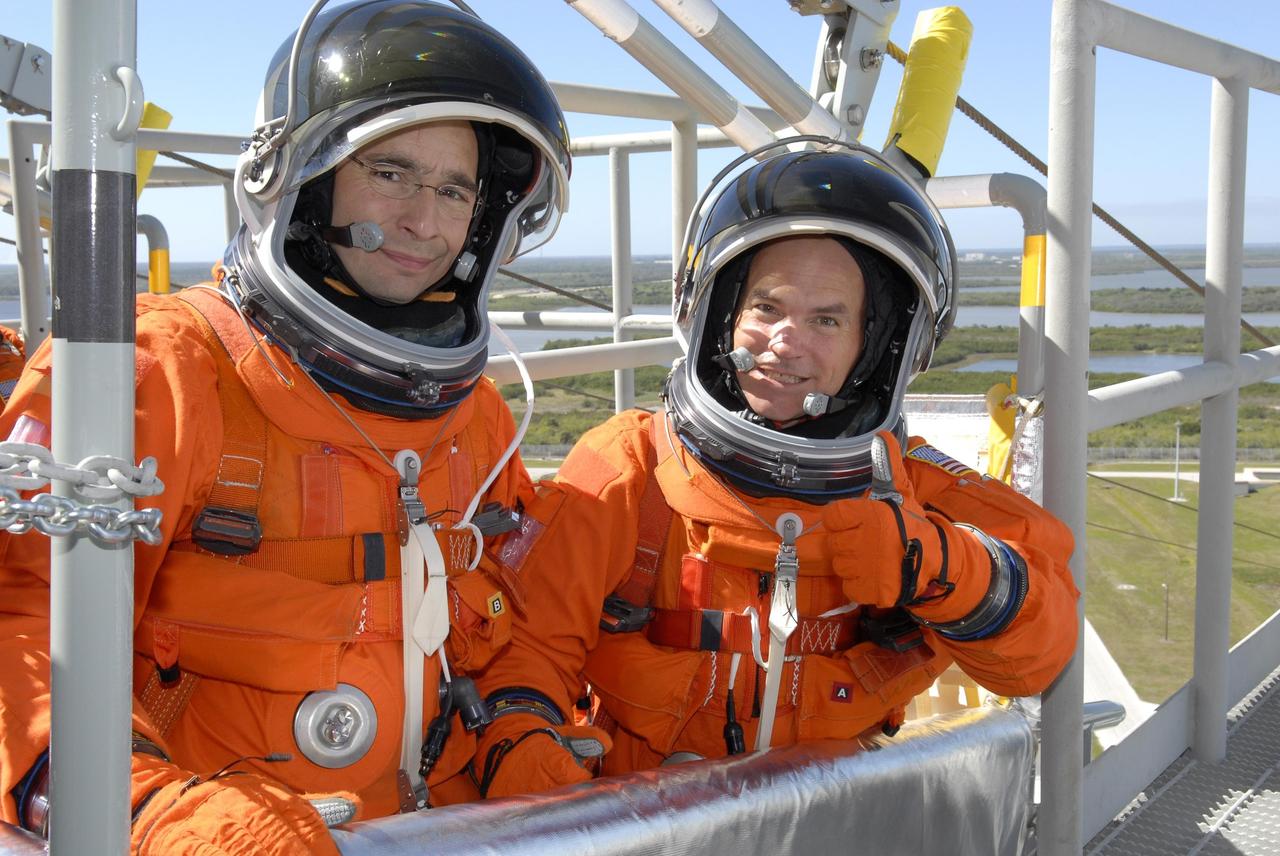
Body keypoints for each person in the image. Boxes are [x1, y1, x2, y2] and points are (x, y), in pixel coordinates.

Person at [0, 2, 570, 851]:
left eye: (454, 190)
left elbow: (509, 621)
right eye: (391, 172)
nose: (424, 222)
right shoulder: (158, 371)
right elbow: (23, 624)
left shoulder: (477, 418)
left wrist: (518, 729)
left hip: (444, 827)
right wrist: (142, 809)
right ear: (303, 177)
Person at [471, 140, 1079, 796]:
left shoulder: (912, 492)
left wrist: (936, 565)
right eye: (766, 308)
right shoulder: (630, 468)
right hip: (648, 817)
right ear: (722, 317)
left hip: (840, 816)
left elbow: (1041, 651)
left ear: (871, 348)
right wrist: (526, 751)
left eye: (826, 320)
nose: (786, 341)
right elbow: (525, 650)